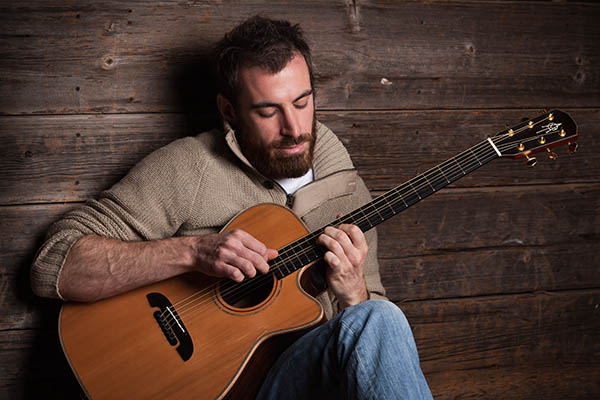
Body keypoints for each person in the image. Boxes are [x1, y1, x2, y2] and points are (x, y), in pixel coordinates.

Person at [31, 15, 432, 399]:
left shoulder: (349, 195)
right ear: (229, 111)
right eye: (268, 111)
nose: (293, 128)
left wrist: (356, 296)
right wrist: (191, 251)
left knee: (380, 316)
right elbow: (54, 265)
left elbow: (377, 346)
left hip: (304, 383)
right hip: (204, 386)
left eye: (302, 102)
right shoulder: (189, 167)